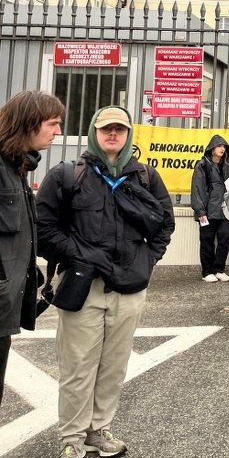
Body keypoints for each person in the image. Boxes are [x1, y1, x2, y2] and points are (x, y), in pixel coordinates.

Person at [36, 106, 174, 458]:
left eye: (120, 129)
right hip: (83, 286)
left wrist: (148, 260)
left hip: (130, 289)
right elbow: (43, 228)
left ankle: (99, 431)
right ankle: (72, 437)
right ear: (93, 132)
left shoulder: (145, 177)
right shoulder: (67, 176)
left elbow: (165, 224)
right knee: (78, 366)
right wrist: (78, 255)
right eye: (105, 129)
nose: (113, 134)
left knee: (113, 366)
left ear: (128, 134)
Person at [0, 91, 64, 408]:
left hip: (5, 304)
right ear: (28, 123)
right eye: (52, 124)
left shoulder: (16, 168)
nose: (58, 132)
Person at [190, 134, 229, 283]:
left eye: (224, 147)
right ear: (212, 148)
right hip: (207, 210)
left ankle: (219, 269)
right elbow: (197, 189)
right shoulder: (202, 165)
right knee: (207, 240)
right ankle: (207, 271)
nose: (222, 149)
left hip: (225, 210)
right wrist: (200, 211)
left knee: (225, 238)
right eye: (219, 146)